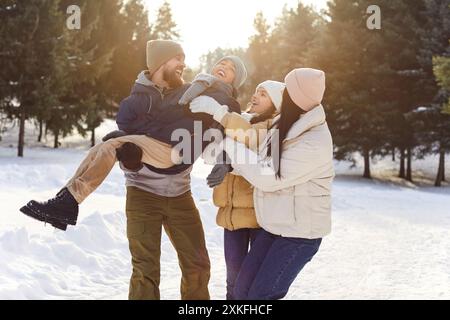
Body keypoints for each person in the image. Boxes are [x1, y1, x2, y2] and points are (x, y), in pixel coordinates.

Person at [20, 39, 246, 231]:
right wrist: (128, 133)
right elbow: (160, 118)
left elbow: (229, 135)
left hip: (176, 150)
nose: (223, 66)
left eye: (231, 68)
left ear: (234, 81)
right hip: (158, 142)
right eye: (221, 62)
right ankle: (64, 200)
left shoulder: (228, 101)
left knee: (110, 147)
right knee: (100, 147)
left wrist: (224, 162)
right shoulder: (192, 89)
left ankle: (68, 203)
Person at [190, 68, 334, 300]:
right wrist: (229, 164)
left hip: (299, 235)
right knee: (240, 291)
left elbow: (268, 176)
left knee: (259, 296)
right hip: (274, 227)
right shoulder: (286, 126)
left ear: (297, 98)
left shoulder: (312, 141)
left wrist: (228, 146)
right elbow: (260, 160)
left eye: (288, 91)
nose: (283, 94)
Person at [202, 80, 285, 300]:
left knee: (255, 282)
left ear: (276, 104)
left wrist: (228, 160)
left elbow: (250, 138)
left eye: (264, 94)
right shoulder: (239, 121)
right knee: (233, 280)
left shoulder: (271, 127)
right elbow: (211, 149)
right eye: (256, 91)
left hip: (259, 219)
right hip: (231, 217)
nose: (256, 96)